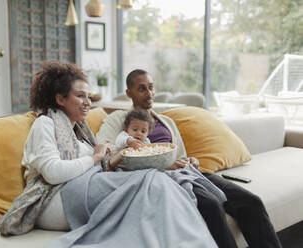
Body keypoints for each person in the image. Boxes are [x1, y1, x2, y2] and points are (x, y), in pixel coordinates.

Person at [0, 61, 218, 248]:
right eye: (79, 96)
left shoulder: (80, 131)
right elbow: (53, 173)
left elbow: (102, 167)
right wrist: (94, 157)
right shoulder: (44, 124)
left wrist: (119, 158)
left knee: (159, 180)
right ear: (60, 99)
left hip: (84, 185)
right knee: (154, 183)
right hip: (53, 199)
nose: (88, 103)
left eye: (88, 96)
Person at [96, 69, 282, 248]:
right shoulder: (119, 119)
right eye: (142, 88)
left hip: (188, 172)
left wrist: (190, 161)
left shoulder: (166, 122)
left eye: (151, 87)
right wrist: (162, 164)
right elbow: (105, 153)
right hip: (162, 179)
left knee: (251, 202)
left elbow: (181, 156)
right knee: (211, 204)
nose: (149, 93)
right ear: (129, 93)